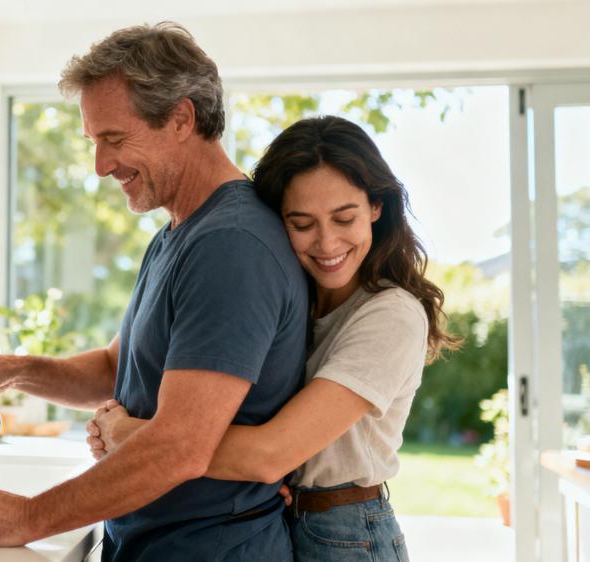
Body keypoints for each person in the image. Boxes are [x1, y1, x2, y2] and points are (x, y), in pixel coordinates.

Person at [0, 22, 308, 560]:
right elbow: (117, 369)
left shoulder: (231, 244)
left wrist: (26, 517)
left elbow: (179, 446)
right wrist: (13, 370)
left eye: (114, 139)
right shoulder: (178, 234)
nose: (101, 166)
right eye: (94, 142)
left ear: (181, 118)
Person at [88, 114, 460, 561]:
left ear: (376, 207)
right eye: (302, 223)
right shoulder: (296, 293)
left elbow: (269, 454)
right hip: (288, 517)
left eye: (344, 218)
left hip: (348, 536)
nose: (327, 243)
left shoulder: (391, 316)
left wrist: (131, 435)